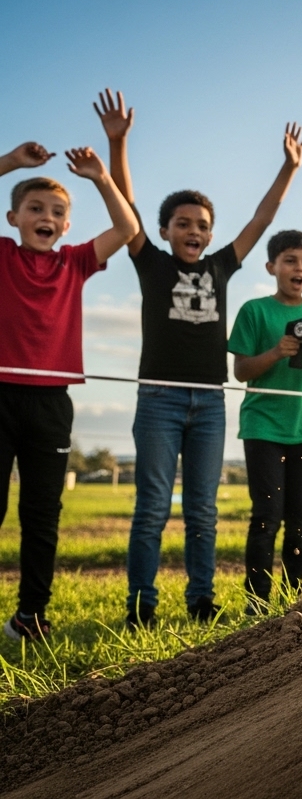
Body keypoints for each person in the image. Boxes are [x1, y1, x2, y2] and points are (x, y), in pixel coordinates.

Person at [95, 88, 302, 627]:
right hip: (160, 400)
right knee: (151, 509)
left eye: (202, 225)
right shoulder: (151, 263)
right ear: (165, 232)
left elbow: (263, 218)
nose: (194, 231)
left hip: (210, 403)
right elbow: (125, 209)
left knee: (203, 512)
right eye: (183, 224)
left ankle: (200, 601)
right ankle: (141, 606)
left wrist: (288, 168)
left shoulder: (220, 266)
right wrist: (117, 144)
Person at [0, 142, 139, 640]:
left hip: (51, 402)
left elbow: (127, 229)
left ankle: (30, 617)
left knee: (42, 514)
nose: (46, 216)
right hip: (0, 393)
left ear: (66, 226)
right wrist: (12, 164)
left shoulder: (75, 263)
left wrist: (102, 178)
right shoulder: (2, 253)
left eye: (57, 212)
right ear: (14, 216)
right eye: (35, 208)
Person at [229, 230, 302, 613]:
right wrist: (277, 352)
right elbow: (241, 371)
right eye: (291, 261)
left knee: (301, 518)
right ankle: (256, 602)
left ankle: (295, 600)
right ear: (272, 266)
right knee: (267, 515)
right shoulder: (255, 311)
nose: (300, 268)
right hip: (263, 427)